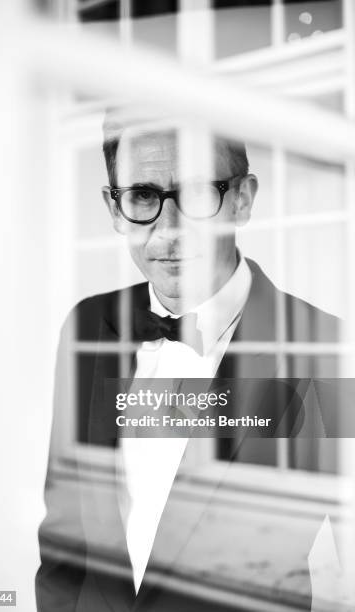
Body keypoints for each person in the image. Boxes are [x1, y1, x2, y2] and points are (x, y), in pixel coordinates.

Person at [36, 110, 341, 612]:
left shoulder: (326, 350)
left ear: (242, 199)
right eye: (141, 196)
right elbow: (64, 544)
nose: (169, 230)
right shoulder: (87, 325)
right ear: (115, 209)